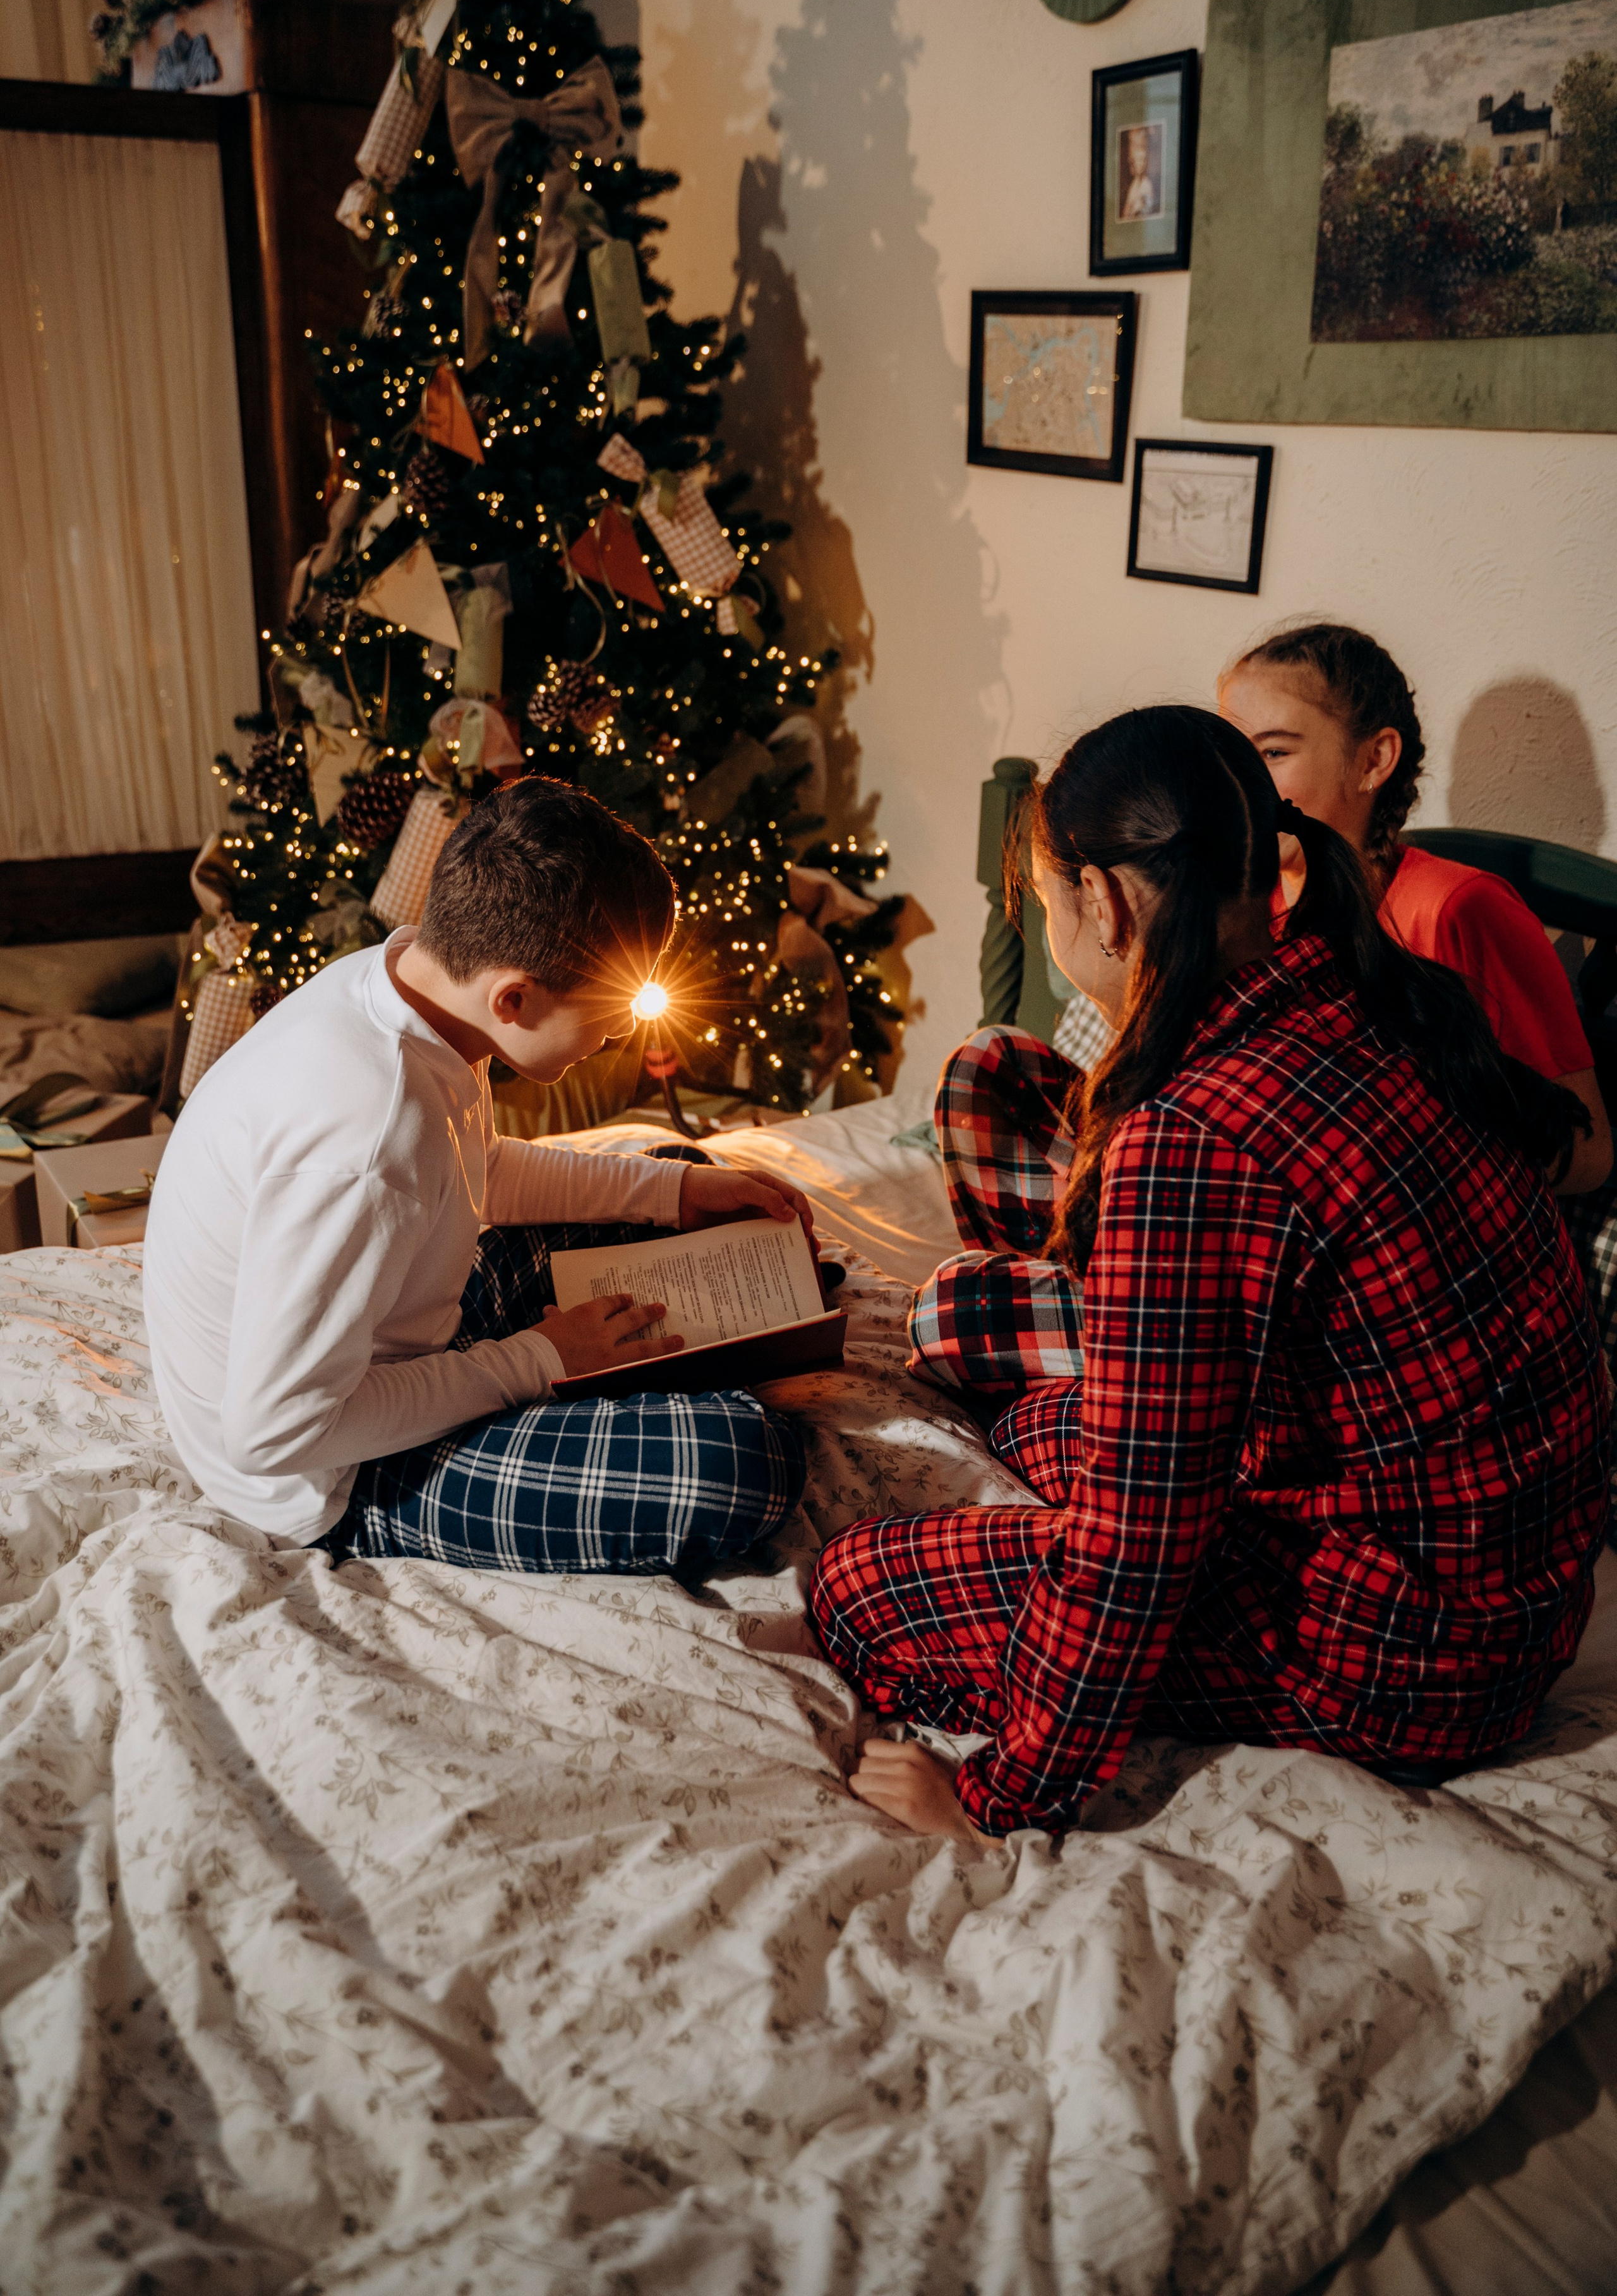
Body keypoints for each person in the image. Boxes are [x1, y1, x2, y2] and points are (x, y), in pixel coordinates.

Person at [810, 706, 1609, 1845]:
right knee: (1046, 1423)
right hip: (1517, 1594)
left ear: (1108, 901)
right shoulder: (1370, 992)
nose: (1055, 935)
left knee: (859, 1587)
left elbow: (1138, 1543)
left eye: (1048, 907)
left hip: (1415, 1655)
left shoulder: (1191, 1139)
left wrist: (996, 1796)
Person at [143, 776, 812, 1573]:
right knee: (748, 1460)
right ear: (515, 998)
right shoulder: (370, 1132)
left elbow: (474, 1171)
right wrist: (537, 1358)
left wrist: (671, 1194)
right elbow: (273, 1431)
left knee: (680, 1169)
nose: (611, 1040)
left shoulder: (404, 980)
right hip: (329, 1470)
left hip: (378, 1346)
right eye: (603, 1023)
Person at [1217, 621, 1611, 1196]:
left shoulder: (1455, 910)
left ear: (1375, 759)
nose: (1240, 783)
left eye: (1274, 752)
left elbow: (1591, 1153)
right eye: (1231, 755)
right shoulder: (1245, 903)